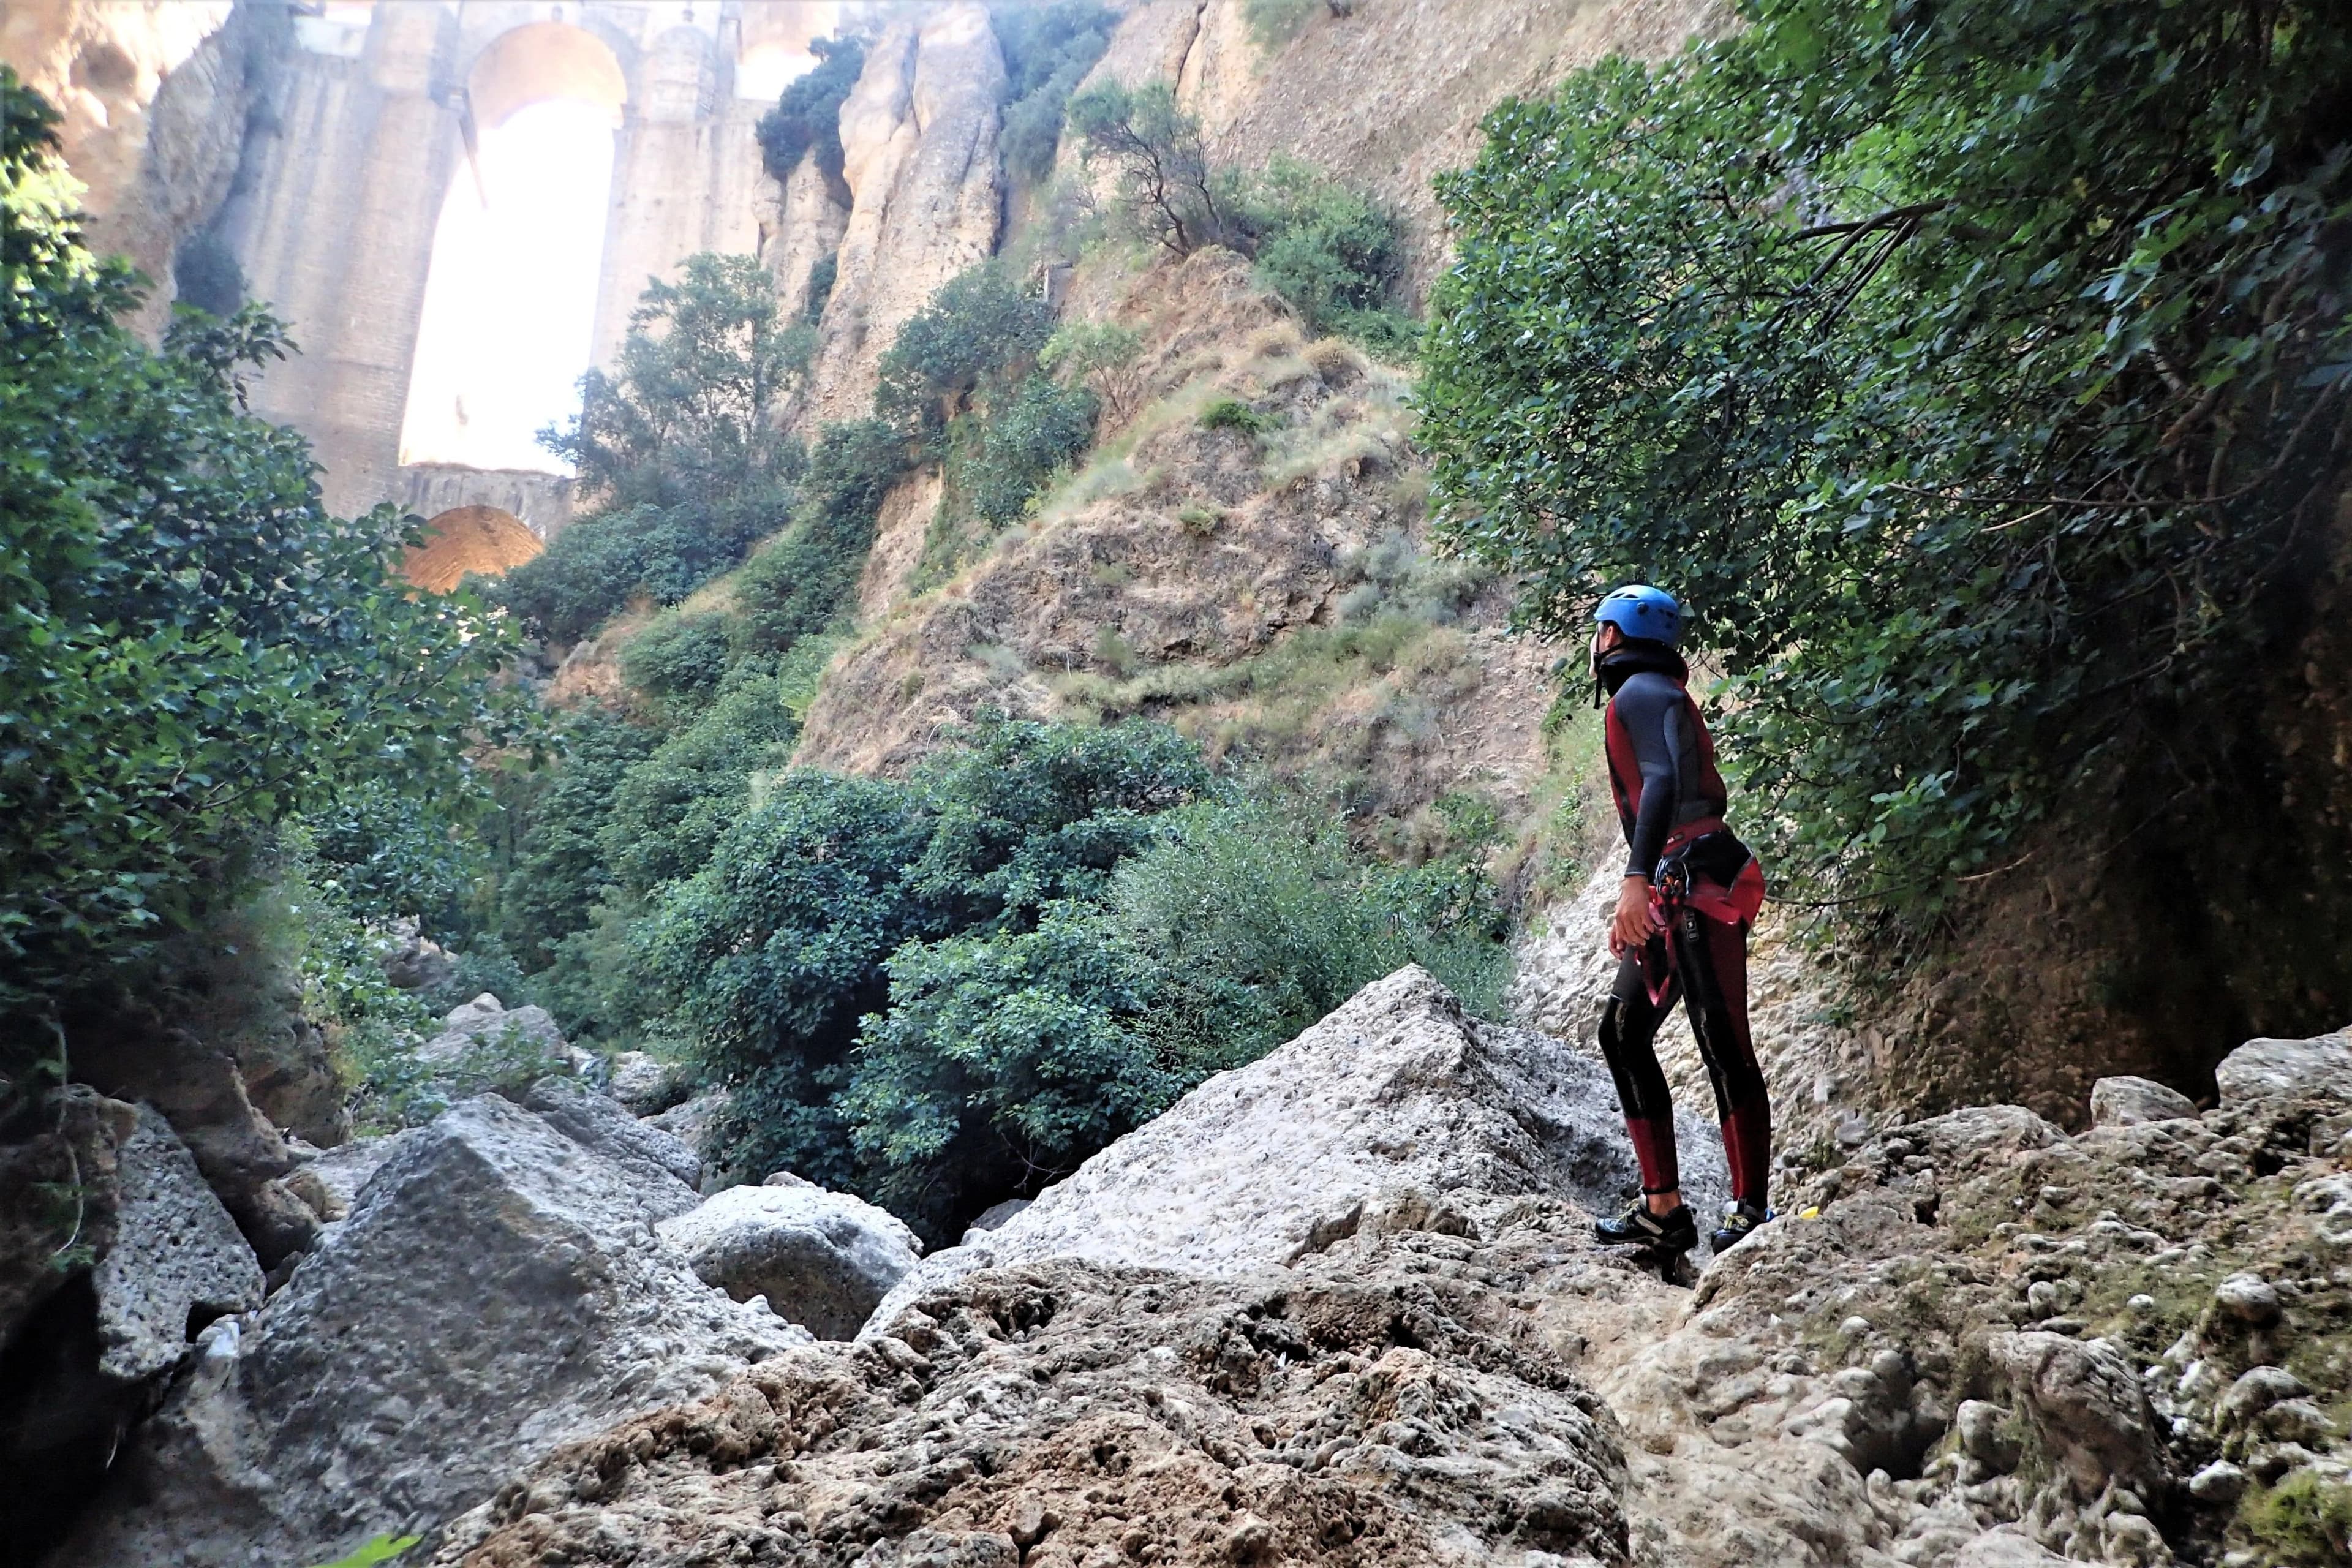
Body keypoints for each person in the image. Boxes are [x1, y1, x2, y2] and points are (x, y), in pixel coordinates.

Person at [1583, 584, 1773, 1258]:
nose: (1596, 641)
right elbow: (1660, 795)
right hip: (1679, 876)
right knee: (1623, 1032)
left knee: (1721, 1038)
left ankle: (1752, 1212)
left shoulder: (1639, 691)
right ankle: (1663, 1210)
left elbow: (1661, 781)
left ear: (1614, 634)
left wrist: (1635, 881)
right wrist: (1642, 885)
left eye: (1600, 629)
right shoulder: (1655, 690)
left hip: (1692, 877)